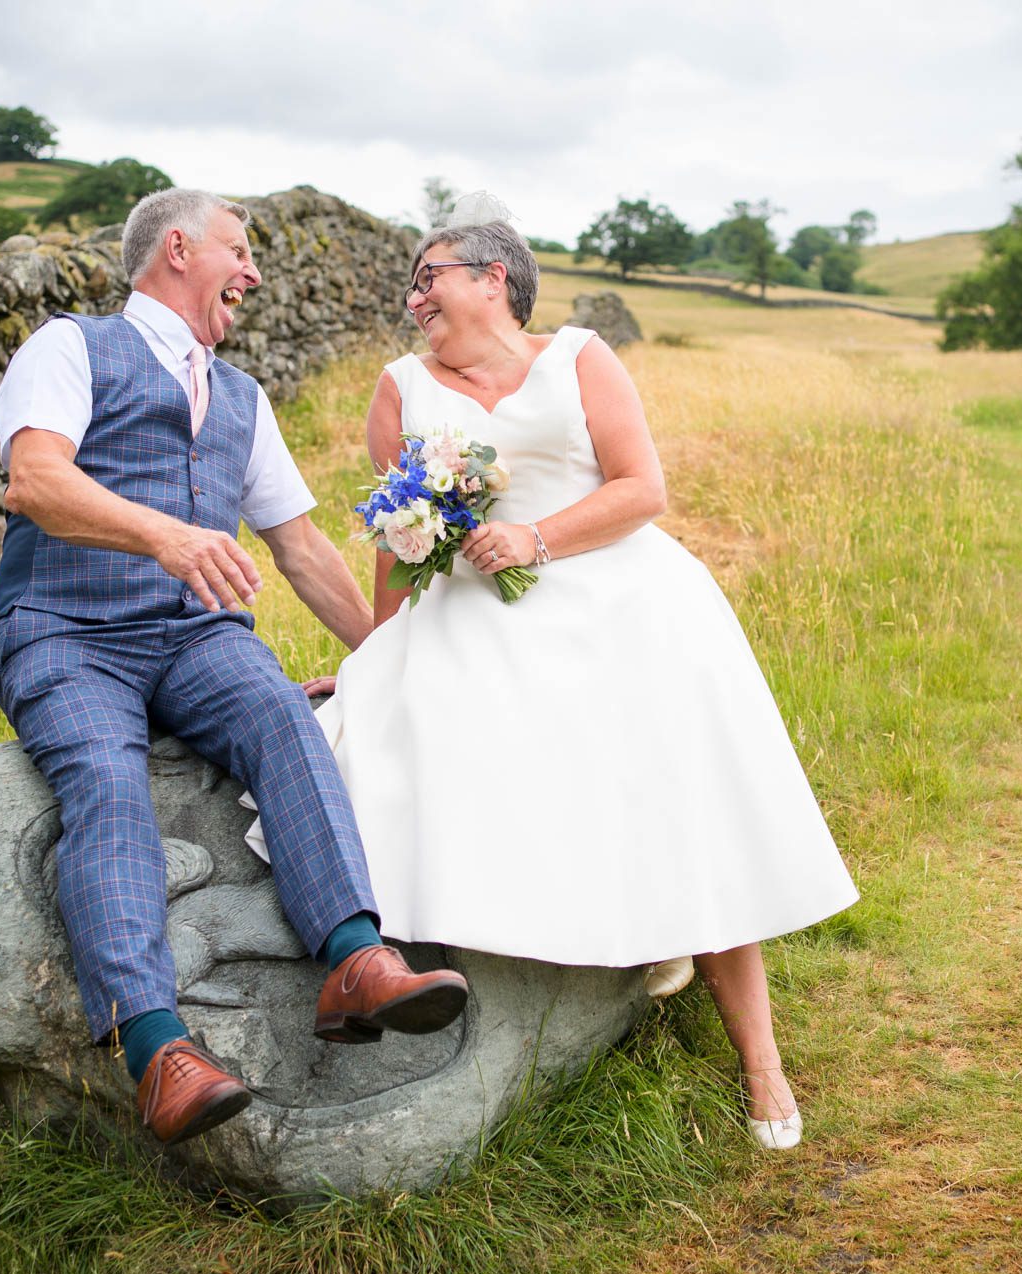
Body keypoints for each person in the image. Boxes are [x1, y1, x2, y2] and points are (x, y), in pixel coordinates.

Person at [253, 195, 857, 1150]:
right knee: (412, 742)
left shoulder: (581, 358)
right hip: (472, 615)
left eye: (429, 276)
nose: (414, 297)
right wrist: (374, 655)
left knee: (690, 800)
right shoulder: (400, 386)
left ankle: (761, 1062)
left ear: (494, 280)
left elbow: (642, 490)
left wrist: (534, 535)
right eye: (410, 283)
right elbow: (398, 539)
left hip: (617, 592)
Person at [0, 188, 468, 1149]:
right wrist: (167, 536)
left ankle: (356, 960)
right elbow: (35, 479)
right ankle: (159, 1050)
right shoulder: (71, 346)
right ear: (176, 248)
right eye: (238, 252)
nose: (252, 272)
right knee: (107, 783)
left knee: (283, 718)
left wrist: (388, 667)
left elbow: (302, 551)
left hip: (197, 637)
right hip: (64, 628)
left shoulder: (242, 397)